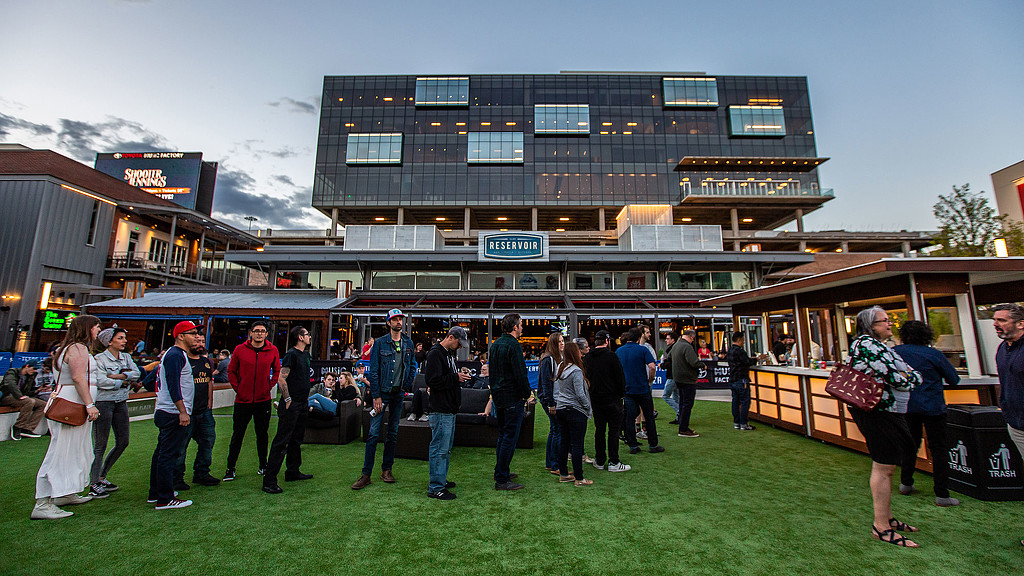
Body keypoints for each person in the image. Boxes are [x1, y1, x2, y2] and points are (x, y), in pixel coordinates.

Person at [847, 306, 922, 547]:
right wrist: (914, 377)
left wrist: (908, 376)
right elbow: (897, 378)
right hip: (877, 410)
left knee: (888, 464)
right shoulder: (868, 345)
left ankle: (886, 517)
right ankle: (881, 525)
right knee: (884, 465)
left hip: (885, 409)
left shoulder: (878, 346)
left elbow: (898, 375)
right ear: (871, 325)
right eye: (884, 321)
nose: (890, 324)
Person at [31, 315, 103, 520]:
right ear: (87, 328)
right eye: (96, 327)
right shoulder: (77, 348)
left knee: (72, 451)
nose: (98, 331)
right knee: (59, 452)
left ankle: (64, 494)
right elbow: (78, 377)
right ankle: (43, 502)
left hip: (69, 403)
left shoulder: (69, 347)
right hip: (71, 406)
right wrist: (89, 404)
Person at [892, 320, 960, 507]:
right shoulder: (934, 354)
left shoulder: (896, 353)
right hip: (933, 407)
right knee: (938, 449)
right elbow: (954, 379)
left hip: (907, 406)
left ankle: (906, 483)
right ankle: (942, 493)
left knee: (910, 445)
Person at [351, 309, 416, 490]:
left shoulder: (407, 342)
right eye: (395, 319)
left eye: (400, 319)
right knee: (373, 433)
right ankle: (366, 474)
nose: (398, 322)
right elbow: (375, 370)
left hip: (398, 393)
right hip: (383, 393)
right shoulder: (380, 343)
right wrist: (377, 395)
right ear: (388, 322)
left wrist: (406, 384)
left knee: (393, 434)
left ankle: (386, 470)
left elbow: (412, 365)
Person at [148, 320, 202, 510]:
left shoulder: (175, 355)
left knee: (162, 453)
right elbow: (173, 385)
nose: (196, 336)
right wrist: (182, 411)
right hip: (172, 411)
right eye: (192, 333)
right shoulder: (175, 355)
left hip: (168, 410)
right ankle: (164, 497)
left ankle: (156, 492)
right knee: (167, 455)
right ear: (181, 336)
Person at [224, 320, 280, 482]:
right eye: (256, 331)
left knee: (262, 434)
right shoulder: (240, 350)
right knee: (238, 435)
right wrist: (238, 388)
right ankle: (230, 468)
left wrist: (269, 385)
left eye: (262, 331)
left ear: (266, 334)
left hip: (263, 399)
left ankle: (263, 464)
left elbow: (276, 370)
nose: (259, 333)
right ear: (251, 333)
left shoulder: (272, 350)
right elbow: (231, 370)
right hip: (243, 400)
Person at [90, 326, 140, 497]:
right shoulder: (99, 359)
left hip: (121, 401)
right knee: (100, 444)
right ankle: (94, 482)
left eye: (124, 338)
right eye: (120, 338)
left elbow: (136, 373)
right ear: (109, 341)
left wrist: (119, 377)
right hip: (104, 402)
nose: (124, 341)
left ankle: (102, 475)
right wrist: (125, 379)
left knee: (123, 441)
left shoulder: (126, 357)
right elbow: (101, 382)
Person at [263, 326, 314, 494]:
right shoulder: (291, 355)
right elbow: (281, 378)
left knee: (296, 440)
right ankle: (269, 480)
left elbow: (303, 377)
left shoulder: (305, 354)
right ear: (300, 337)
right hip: (291, 405)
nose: (309, 336)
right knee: (282, 441)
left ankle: (292, 471)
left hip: (302, 402)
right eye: (307, 334)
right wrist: (287, 399)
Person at [424, 327, 472, 500]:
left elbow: (441, 378)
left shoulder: (447, 354)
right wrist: (455, 377)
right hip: (441, 408)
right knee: (440, 448)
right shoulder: (436, 354)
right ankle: (436, 486)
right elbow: (432, 380)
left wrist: (457, 376)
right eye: (459, 343)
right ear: (450, 337)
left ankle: (440, 480)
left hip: (448, 408)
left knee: (445, 449)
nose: (460, 347)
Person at [489, 313, 533, 490]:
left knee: (503, 435)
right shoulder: (513, 345)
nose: (522, 327)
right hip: (512, 397)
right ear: (515, 327)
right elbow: (520, 373)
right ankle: (501, 478)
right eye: (521, 324)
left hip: (499, 397)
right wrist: (527, 394)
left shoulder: (496, 344)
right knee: (509, 438)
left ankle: (501, 471)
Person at [992, 303, 1024, 545]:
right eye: (995, 320)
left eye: (1002, 320)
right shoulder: (1003, 348)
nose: (996, 324)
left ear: (1020, 324)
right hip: (1015, 423)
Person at [175, 332, 221, 489]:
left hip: (204, 411)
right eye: (197, 341)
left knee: (208, 441)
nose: (200, 344)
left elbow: (208, 382)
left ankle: (201, 473)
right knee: (181, 445)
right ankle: (177, 478)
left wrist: (210, 403)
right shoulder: (181, 360)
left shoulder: (206, 362)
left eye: (202, 341)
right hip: (187, 410)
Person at [584, 330, 630, 472]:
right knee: (614, 431)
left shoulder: (588, 357)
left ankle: (600, 459)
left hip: (595, 399)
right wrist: (621, 395)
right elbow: (620, 378)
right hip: (611, 398)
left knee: (600, 430)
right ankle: (614, 461)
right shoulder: (611, 357)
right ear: (607, 341)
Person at [616, 327, 665, 454]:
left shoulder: (619, 351)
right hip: (642, 388)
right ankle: (653, 444)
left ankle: (632, 445)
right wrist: (650, 380)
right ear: (639, 338)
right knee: (648, 416)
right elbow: (652, 366)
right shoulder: (642, 350)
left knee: (630, 417)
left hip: (628, 388)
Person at [555, 341, 594, 486]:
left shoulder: (561, 367)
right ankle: (579, 478)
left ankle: (564, 473)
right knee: (577, 445)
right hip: (575, 410)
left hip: (561, 408)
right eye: (578, 350)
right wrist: (587, 407)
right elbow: (580, 394)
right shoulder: (576, 371)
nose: (580, 352)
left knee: (564, 442)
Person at [538, 332, 565, 474]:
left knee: (554, 430)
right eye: (559, 341)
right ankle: (555, 465)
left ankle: (551, 463)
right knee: (557, 431)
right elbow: (546, 383)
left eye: (562, 341)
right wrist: (551, 403)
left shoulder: (557, 358)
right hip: (551, 399)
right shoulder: (548, 360)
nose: (562, 343)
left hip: (554, 398)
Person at [672, 329, 705, 438]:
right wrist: (702, 365)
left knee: (682, 403)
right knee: (687, 404)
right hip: (687, 379)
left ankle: (682, 426)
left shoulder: (676, 345)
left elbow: (670, 358)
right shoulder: (687, 347)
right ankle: (684, 428)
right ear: (691, 337)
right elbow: (694, 362)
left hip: (678, 378)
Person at [725, 331, 761, 431]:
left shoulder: (730, 350)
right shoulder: (740, 351)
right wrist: (757, 359)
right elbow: (747, 361)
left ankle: (737, 422)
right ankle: (744, 423)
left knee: (735, 401)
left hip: (733, 379)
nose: (744, 342)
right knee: (745, 401)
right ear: (739, 340)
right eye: (743, 340)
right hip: (741, 379)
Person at [2, 361, 45, 440]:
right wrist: (19, 396)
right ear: (27, 366)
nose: (34, 371)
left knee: (43, 404)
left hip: (21, 397)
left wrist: (37, 390)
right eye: (34, 368)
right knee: (29, 401)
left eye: (36, 369)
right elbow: (10, 384)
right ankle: (18, 427)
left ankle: (28, 428)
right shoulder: (12, 372)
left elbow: (27, 392)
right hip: (7, 396)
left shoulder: (30, 376)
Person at [661, 332, 680, 425]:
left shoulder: (672, 350)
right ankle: (679, 417)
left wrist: (662, 365)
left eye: (668, 338)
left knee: (665, 396)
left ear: (673, 340)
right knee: (676, 396)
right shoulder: (675, 349)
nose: (666, 340)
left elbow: (671, 364)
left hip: (672, 376)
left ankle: (680, 411)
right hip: (676, 376)